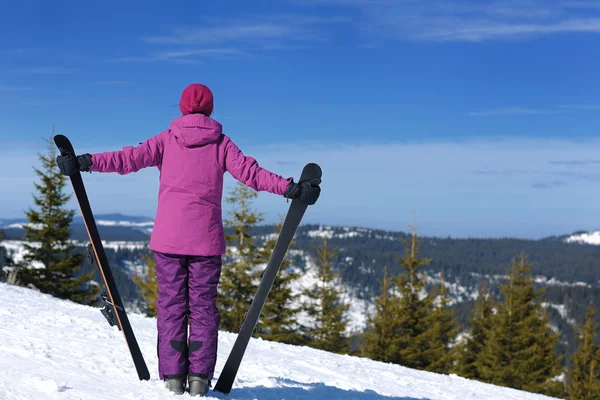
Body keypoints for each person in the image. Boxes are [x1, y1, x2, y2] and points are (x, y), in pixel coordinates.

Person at [56, 83, 321, 396]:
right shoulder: (222, 144)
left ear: (182, 108)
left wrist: (85, 162)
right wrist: (290, 188)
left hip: (168, 242)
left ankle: (173, 377)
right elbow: (252, 173)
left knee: (170, 306)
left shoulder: (166, 139)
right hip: (206, 244)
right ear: (209, 108)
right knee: (203, 309)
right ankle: (199, 378)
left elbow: (127, 158)